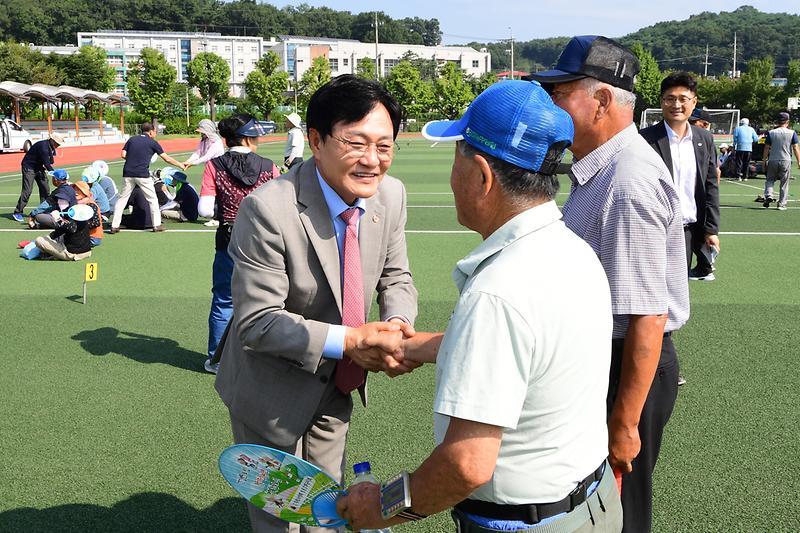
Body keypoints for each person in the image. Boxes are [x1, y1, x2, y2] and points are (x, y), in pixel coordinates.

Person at [338, 80, 622, 533]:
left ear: (483, 176)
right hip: (594, 502)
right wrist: (419, 346)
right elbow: (532, 350)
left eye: (457, 160)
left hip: (528, 522)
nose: (453, 178)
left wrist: (385, 506)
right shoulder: (572, 249)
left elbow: (466, 465)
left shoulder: (499, 291)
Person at [213, 75, 419, 533]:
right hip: (271, 388)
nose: (372, 161)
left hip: (339, 381)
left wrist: (396, 327)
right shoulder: (267, 209)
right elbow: (257, 323)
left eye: (384, 146)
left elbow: (396, 276)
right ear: (315, 140)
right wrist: (352, 339)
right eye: (357, 143)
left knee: (327, 508)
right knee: (277, 517)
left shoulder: (392, 195)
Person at [529, 35, 690, 533]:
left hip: (626, 369)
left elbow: (647, 313)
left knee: (620, 514)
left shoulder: (626, 180)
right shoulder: (603, 170)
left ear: (600, 100)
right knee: (597, 510)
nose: (552, 105)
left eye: (561, 93)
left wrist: (623, 424)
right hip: (605, 364)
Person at [197, 114, 279, 374]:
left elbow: (205, 210)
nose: (258, 140)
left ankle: (218, 359)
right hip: (264, 240)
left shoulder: (214, 165)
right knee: (270, 299)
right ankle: (266, 356)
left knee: (224, 300)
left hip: (229, 238)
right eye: (255, 136)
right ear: (246, 137)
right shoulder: (268, 166)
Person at [640, 72, 721, 284]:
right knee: (651, 287)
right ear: (661, 102)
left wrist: (711, 229)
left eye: (683, 99)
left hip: (687, 231)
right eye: (670, 98)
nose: (676, 104)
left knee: (677, 291)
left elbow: (710, 185)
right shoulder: (644, 139)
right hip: (652, 229)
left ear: (693, 102)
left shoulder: (704, 138)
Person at [109, 122, 184, 233]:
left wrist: (133, 161)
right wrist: (180, 165)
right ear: (151, 132)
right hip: (142, 174)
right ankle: (156, 225)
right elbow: (166, 158)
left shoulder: (132, 139)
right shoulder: (152, 142)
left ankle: (115, 226)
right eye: (154, 132)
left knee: (122, 199)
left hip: (128, 173)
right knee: (152, 199)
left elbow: (123, 154)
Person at [13, 132, 64, 222]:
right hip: (29, 167)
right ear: (52, 140)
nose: (58, 145)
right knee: (27, 191)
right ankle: (18, 212)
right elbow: (47, 163)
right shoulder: (43, 146)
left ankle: (43, 210)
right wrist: (56, 174)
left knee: (45, 188)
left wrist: (51, 166)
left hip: (39, 167)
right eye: (57, 143)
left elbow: (50, 161)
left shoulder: (51, 147)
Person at [761, 111, 800, 211]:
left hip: (773, 159)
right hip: (786, 160)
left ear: (778, 121)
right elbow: (795, 147)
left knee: (770, 179)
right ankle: (781, 204)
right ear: (787, 121)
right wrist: (799, 161)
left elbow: (766, 147)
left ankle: (768, 194)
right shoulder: (792, 133)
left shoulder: (771, 132)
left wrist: (764, 160)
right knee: (784, 183)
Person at [33, 204, 98, 261]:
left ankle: (49, 253)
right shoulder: (86, 222)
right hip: (87, 252)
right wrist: (49, 237)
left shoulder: (72, 225)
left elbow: (69, 228)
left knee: (39, 240)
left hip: (71, 254)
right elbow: (61, 230)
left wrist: (58, 219)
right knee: (60, 237)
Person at [72, 180, 104, 248]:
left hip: (93, 237)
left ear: (85, 192)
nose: (76, 193)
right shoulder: (78, 204)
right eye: (74, 190)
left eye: (79, 190)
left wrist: (78, 226)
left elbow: (96, 223)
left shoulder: (91, 205)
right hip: (84, 235)